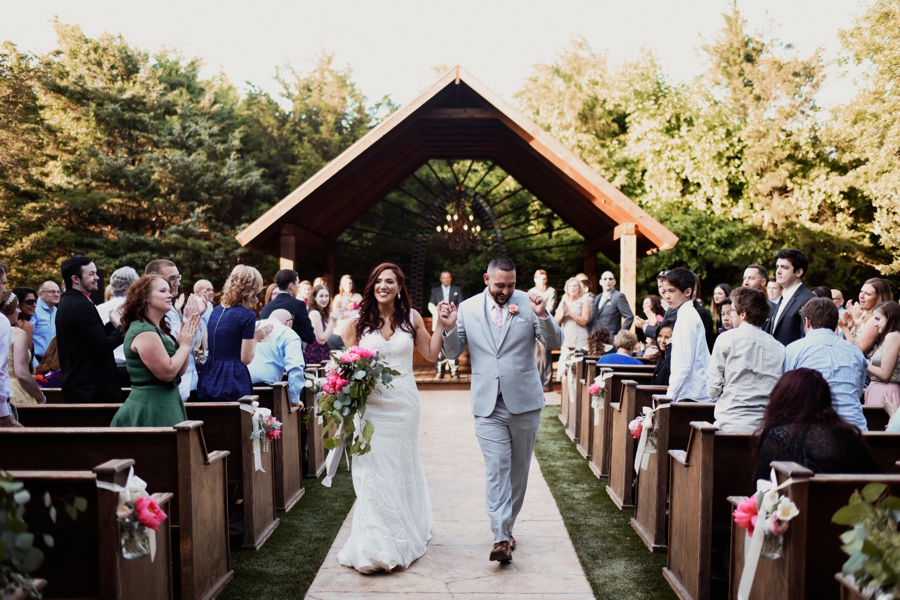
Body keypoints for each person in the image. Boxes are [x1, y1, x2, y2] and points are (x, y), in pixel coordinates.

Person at [440, 256, 564, 563]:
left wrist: (543, 314)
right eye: (499, 285)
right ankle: (500, 537)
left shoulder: (529, 303)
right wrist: (449, 326)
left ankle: (507, 528)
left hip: (524, 402)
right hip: (487, 404)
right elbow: (453, 351)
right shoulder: (467, 308)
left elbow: (553, 342)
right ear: (486, 279)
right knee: (497, 468)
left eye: (510, 285)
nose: (505, 292)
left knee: (517, 473)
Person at [337, 263, 445, 573]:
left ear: (399, 287)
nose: (383, 285)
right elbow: (346, 369)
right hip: (370, 409)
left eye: (390, 281)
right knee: (371, 473)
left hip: (404, 407)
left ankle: (401, 534)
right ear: (371, 286)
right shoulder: (355, 324)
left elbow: (430, 354)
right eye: (378, 281)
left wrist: (439, 324)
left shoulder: (411, 319)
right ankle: (375, 545)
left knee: (399, 468)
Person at [754, 368, 880, 483]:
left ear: (781, 398)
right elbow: (878, 479)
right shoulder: (846, 435)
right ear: (825, 399)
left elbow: (759, 490)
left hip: (795, 507)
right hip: (846, 506)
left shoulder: (777, 436)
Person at [110, 276, 201, 427]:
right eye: (163, 291)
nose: (170, 295)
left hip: (168, 401)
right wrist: (184, 345)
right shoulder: (143, 331)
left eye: (169, 290)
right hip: (151, 406)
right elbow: (167, 373)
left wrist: (186, 342)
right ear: (145, 297)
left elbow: (179, 371)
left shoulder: (160, 329)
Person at [783, 298, 868, 431]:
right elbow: (858, 391)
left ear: (807, 321)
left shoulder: (794, 349)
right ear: (835, 324)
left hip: (811, 429)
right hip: (855, 429)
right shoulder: (855, 352)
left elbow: (788, 393)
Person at [708, 287, 784, 432]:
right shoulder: (779, 347)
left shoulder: (726, 339)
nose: (730, 314)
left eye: (731, 310)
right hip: (765, 426)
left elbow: (713, 390)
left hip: (730, 422)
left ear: (743, 314)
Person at [56, 256, 125, 404]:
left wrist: (113, 325)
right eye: (91, 274)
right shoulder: (80, 305)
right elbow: (103, 347)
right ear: (75, 278)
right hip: (90, 390)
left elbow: (91, 339)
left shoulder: (70, 300)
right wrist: (122, 327)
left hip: (82, 386)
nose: (97, 277)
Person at [198, 265, 272, 402]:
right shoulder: (247, 315)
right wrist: (256, 338)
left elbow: (210, 345)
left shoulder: (216, 311)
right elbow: (246, 358)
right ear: (252, 289)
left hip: (210, 374)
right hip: (233, 378)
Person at [145, 259, 205, 400]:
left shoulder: (169, 308)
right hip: (174, 388)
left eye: (178, 277)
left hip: (186, 381)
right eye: (172, 278)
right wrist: (191, 318)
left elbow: (189, 345)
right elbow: (179, 345)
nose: (177, 282)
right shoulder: (159, 312)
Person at [661, 268, 711, 402]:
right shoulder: (685, 314)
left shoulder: (687, 317)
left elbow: (683, 363)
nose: (666, 296)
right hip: (692, 390)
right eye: (665, 291)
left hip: (692, 393)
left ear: (688, 292)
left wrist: (669, 396)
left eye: (671, 291)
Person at [248, 309, 306, 406]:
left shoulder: (251, 326)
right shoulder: (288, 333)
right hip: (269, 392)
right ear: (289, 323)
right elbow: (295, 366)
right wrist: (294, 399)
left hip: (243, 388)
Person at [96, 267, 139, 388]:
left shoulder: (99, 309)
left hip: (108, 367)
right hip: (134, 367)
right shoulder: (139, 308)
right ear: (134, 284)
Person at [764, 249, 816, 346]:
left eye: (784, 267)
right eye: (777, 267)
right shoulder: (782, 298)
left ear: (799, 272)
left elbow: (807, 340)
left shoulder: (809, 300)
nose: (778, 271)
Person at [1, 292, 45, 405]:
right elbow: (22, 374)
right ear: (8, 310)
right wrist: (40, 397)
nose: (19, 311)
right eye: (16, 307)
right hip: (12, 390)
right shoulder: (17, 333)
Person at [839, 278, 894, 355]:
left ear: (878, 298)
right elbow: (848, 343)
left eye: (868, 294)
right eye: (861, 291)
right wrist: (849, 327)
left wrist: (845, 329)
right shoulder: (865, 313)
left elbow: (859, 351)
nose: (861, 296)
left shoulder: (874, 319)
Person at [259, 269, 315, 344]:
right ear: (291, 286)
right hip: (291, 352)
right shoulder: (299, 305)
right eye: (297, 283)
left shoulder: (265, 308)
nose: (298, 287)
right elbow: (309, 337)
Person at [428, 271, 464, 378]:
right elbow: (430, 304)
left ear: (451, 278)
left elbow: (461, 303)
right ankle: (440, 371)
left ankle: (454, 371)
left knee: (452, 344)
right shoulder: (435, 291)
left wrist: (453, 313)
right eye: (444, 278)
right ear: (440, 279)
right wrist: (440, 314)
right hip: (439, 323)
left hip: (453, 322)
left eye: (448, 278)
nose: (446, 280)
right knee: (439, 347)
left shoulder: (457, 290)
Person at [864, 301, 900, 407]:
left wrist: (863, 362)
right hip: (880, 390)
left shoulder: (893, 337)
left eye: (878, 319)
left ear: (890, 319)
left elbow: (885, 375)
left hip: (886, 393)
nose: (875, 324)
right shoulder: (889, 336)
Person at [555, 277, 591, 381]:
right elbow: (556, 322)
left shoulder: (585, 301)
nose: (572, 288)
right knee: (565, 369)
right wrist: (562, 312)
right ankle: (566, 393)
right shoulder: (563, 301)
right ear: (567, 288)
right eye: (570, 286)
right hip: (567, 338)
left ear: (579, 288)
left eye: (575, 286)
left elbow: (584, 321)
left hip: (580, 339)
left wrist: (569, 312)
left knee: (578, 369)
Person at [529, 269, 558, 392]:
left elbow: (550, 309)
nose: (543, 281)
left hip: (546, 326)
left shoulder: (551, 291)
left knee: (546, 356)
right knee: (536, 356)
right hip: (533, 326)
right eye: (541, 278)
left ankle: (547, 383)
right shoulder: (531, 292)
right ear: (535, 279)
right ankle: (537, 382)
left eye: (545, 279)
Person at [304, 284, 342, 364]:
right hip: (316, 357)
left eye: (326, 296)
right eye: (321, 296)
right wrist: (332, 321)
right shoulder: (315, 313)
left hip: (319, 355)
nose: (324, 299)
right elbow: (321, 340)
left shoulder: (318, 314)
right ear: (314, 298)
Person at [589, 271, 634, 336]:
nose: (608, 281)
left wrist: (620, 335)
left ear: (614, 282)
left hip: (611, 337)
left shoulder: (618, 296)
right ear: (600, 282)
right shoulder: (597, 297)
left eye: (610, 279)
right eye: (605, 279)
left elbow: (629, 317)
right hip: (597, 338)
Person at [32, 280, 60, 363]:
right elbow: (27, 339)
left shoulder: (58, 312)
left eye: (58, 292)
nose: (56, 294)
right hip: (36, 361)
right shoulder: (33, 310)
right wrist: (35, 365)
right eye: (52, 292)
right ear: (40, 294)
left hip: (54, 362)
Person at [650, 320, 674, 386]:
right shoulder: (662, 357)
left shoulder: (674, 359)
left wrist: (670, 346)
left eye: (667, 337)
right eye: (660, 336)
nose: (662, 340)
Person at [11, 287, 36, 352]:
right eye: (30, 302)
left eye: (35, 301)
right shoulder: (25, 325)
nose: (34, 305)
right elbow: (28, 357)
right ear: (18, 303)